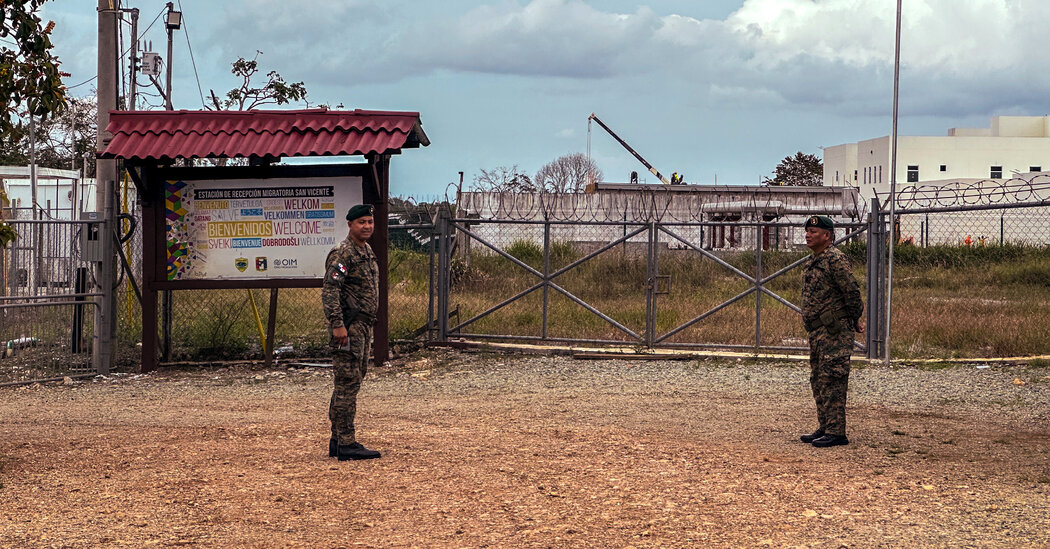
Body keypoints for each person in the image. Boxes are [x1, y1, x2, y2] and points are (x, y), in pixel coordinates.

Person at [321, 204, 381, 461]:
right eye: (361, 222)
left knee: (351, 381)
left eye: (369, 222)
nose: (367, 226)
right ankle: (346, 442)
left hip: (363, 327)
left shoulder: (366, 251)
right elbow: (330, 290)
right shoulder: (343, 253)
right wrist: (337, 324)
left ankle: (337, 439)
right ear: (350, 225)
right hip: (349, 327)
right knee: (347, 383)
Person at [799, 215, 864, 448]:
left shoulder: (835, 259)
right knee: (819, 379)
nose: (808, 235)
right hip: (819, 331)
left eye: (813, 232)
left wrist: (854, 318)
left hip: (834, 330)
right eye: (807, 231)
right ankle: (826, 426)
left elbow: (851, 292)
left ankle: (837, 432)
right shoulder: (814, 260)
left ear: (827, 236)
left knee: (833, 378)